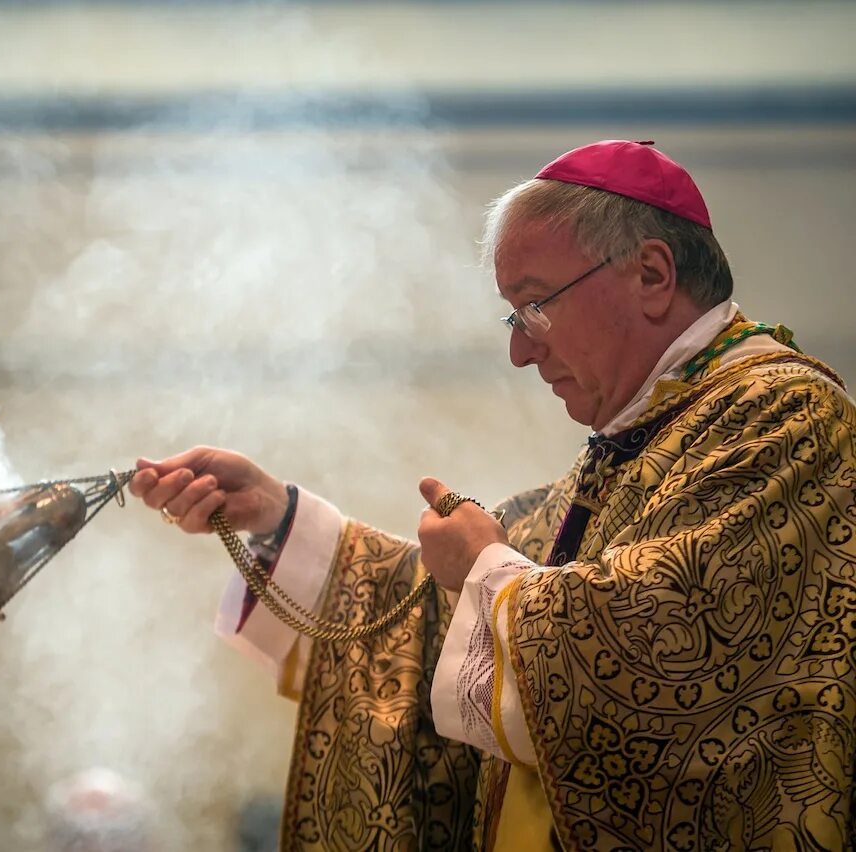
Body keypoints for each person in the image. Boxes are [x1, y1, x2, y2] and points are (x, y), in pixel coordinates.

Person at [129, 140, 856, 851]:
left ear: (653, 274)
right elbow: (430, 615)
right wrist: (276, 517)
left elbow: (663, 651)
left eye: (535, 305)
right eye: (514, 316)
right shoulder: (632, 446)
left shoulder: (783, 416)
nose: (521, 349)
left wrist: (487, 571)